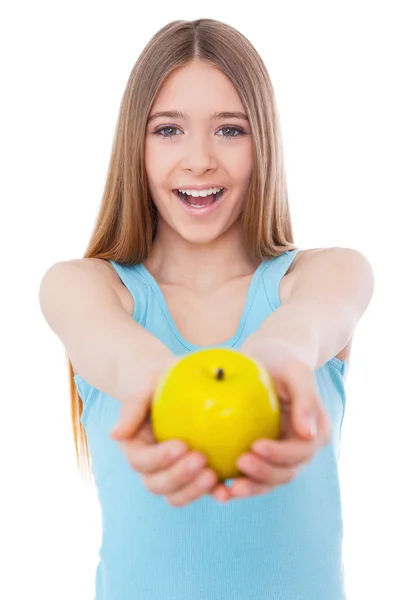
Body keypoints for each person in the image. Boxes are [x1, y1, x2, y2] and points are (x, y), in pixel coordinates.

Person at [39, 18, 374, 600]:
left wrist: (273, 364)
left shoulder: (327, 274)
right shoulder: (82, 287)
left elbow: (304, 325)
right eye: (168, 130)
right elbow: (118, 352)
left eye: (230, 130)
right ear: (134, 145)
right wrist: (161, 384)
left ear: (262, 141)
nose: (199, 160)